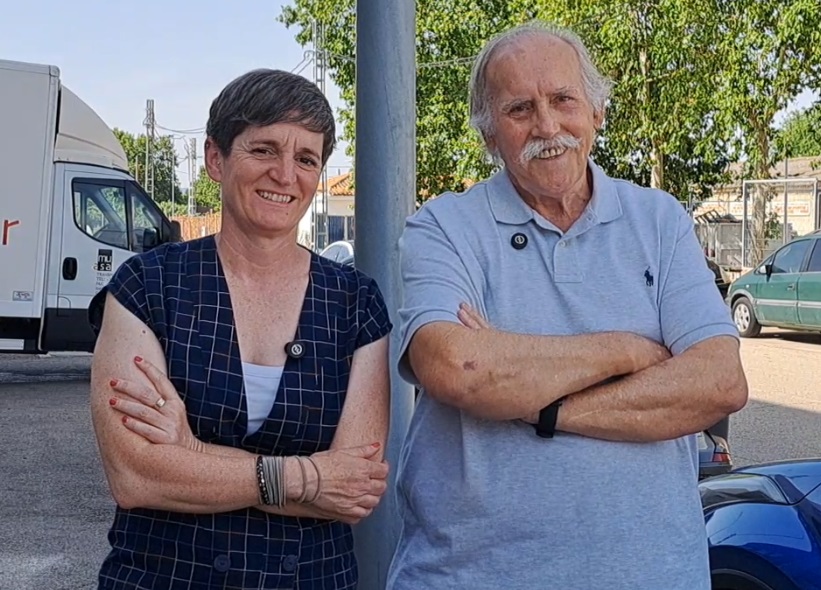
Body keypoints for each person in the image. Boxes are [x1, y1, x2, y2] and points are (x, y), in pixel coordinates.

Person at [387, 21, 748, 590]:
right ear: (489, 134)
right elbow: (461, 368)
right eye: (520, 109)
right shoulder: (443, 227)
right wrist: (626, 351)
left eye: (563, 100)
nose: (547, 126)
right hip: (471, 576)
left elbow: (719, 383)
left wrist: (539, 406)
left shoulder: (660, 221)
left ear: (597, 112)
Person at [88, 68, 392, 590]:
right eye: (264, 149)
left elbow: (353, 490)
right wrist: (308, 477)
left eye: (306, 159)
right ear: (215, 158)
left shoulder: (355, 303)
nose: (285, 174)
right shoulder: (146, 287)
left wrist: (195, 454)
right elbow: (138, 475)